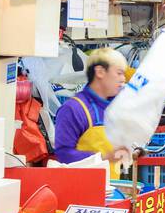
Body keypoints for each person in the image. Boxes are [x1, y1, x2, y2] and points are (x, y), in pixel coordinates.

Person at [53, 47, 132, 175]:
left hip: (112, 188)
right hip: (82, 189)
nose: (123, 79)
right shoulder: (73, 109)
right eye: (119, 73)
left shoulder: (114, 108)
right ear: (100, 72)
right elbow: (64, 154)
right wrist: (103, 158)